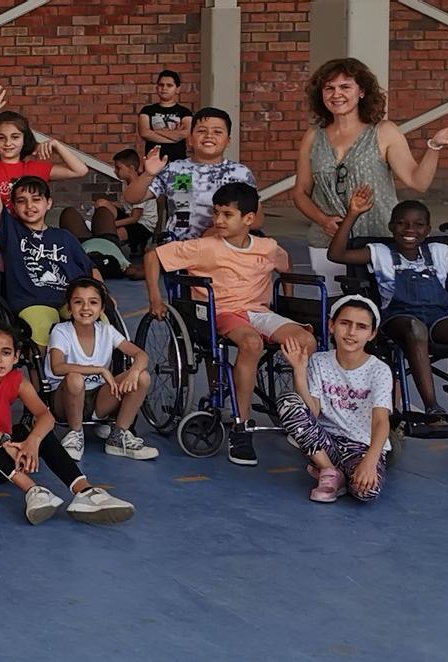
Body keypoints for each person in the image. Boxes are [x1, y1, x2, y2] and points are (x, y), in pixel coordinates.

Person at [145, 182, 314, 466]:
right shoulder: (204, 247)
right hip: (222, 312)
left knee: (306, 341)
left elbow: (287, 265)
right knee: (251, 343)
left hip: (258, 312)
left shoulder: (267, 247)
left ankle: (302, 415)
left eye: (227, 215)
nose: (218, 220)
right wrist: (155, 298)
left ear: (248, 219)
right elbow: (153, 256)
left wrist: (287, 301)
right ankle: (241, 426)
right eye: (216, 213)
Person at [326, 192, 448, 439]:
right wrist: (352, 214)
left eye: (418, 225)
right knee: (416, 328)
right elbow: (337, 255)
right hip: (398, 319)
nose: (410, 229)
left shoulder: (439, 251)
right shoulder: (380, 252)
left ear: (427, 230)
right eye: (403, 223)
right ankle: (433, 409)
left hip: (437, 318)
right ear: (391, 227)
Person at [294, 57, 448, 293]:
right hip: (326, 241)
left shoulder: (384, 131)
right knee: (337, 309)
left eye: (345, 87)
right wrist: (323, 220)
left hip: (379, 239)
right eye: (329, 88)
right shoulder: (313, 136)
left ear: (361, 91)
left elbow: (418, 182)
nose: (336, 94)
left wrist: (434, 146)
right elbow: (300, 193)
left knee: (382, 308)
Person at [0, 323, 137, 525]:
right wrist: (4, 442)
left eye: (6, 352)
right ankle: (33, 490)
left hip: (0, 466)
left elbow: (46, 416)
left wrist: (33, 441)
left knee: (34, 431)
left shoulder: (16, 380)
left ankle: (85, 491)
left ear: (16, 357)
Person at [0, 86, 90, 279]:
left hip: (22, 247)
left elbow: (80, 170)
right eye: (1, 138)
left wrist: (56, 145)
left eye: (15, 137)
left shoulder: (34, 168)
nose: (8, 143)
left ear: (24, 139)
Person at [274, 295, 394, 502]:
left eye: (361, 327)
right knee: (288, 402)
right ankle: (329, 471)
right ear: (331, 326)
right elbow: (312, 412)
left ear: (372, 334)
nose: (351, 332)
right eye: (345, 323)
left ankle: (335, 475)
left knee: (366, 492)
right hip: (326, 443)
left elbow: (381, 420)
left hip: (361, 447)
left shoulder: (379, 370)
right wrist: (300, 373)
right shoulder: (319, 362)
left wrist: (370, 462)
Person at [0, 171, 101, 347]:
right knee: (42, 327)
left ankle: (95, 370)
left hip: (70, 299)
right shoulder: (12, 232)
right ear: (13, 207)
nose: (29, 205)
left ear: (49, 203)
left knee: (100, 321)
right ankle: (48, 374)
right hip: (33, 301)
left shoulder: (64, 237)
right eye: (21, 201)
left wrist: (103, 294)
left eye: (36, 199)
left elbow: (91, 268)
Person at [44, 278, 156, 461]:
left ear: (102, 309)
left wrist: (134, 372)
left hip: (99, 399)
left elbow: (141, 355)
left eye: (93, 302)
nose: (86, 308)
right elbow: (57, 367)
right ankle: (75, 433)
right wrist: (100, 370)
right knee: (75, 378)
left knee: (143, 377)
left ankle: (118, 436)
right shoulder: (61, 331)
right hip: (65, 398)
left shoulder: (107, 331)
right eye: (78, 302)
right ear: (69, 308)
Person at [121, 107, 254, 244]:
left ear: (228, 141)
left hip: (224, 249)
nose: (209, 135)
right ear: (190, 139)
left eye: (217, 132)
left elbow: (255, 219)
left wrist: (214, 233)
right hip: (179, 248)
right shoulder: (175, 169)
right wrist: (148, 175)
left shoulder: (240, 173)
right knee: (151, 258)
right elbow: (131, 198)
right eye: (201, 131)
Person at [139, 70, 193, 162]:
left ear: (177, 89)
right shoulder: (147, 110)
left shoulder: (185, 112)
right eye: (161, 85)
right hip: (152, 165)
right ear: (156, 88)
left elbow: (186, 132)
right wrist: (174, 137)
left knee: (184, 177)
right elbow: (144, 133)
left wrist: (156, 131)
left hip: (179, 164)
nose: (164, 88)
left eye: (169, 85)